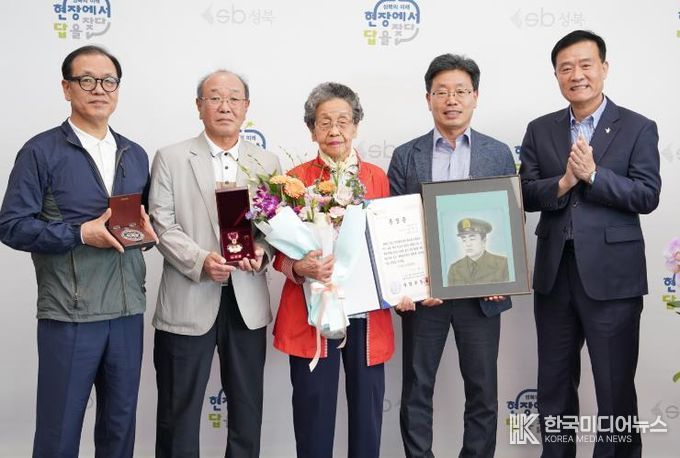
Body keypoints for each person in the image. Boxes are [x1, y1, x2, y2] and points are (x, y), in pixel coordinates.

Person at [0, 45, 155, 457]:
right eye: (86, 80)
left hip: (127, 311)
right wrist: (79, 233)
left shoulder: (135, 153)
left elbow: (137, 224)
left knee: (120, 428)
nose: (99, 89)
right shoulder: (41, 151)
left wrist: (146, 234)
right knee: (60, 430)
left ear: (118, 89)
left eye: (108, 81)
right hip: (70, 314)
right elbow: (11, 226)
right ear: (66, 88)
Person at [519, 30, 661, 457]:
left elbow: (647, 195)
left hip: (613, 279)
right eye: (566, 68)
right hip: (554, 276)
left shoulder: (638, 127)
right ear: (556, 76)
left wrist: (595, 176)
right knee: (554, 386)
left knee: (614, 388)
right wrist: (563, 182)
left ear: (604, 67)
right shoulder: (540, 129)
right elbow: (524, 194)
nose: (576, 75)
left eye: (585, 65)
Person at [388, 54, 515, 458]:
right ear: (428, 98)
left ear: (475, 97)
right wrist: (409, 283)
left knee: (483, 391)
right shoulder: (406, 156)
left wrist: (503, 278)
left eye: (461, 91)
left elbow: (509, 219)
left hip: (482, 295)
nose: (451, 99)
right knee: (417, 388)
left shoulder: (498, 153)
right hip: (426, 296)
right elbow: (395, 225)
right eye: (441, 91)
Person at [148, 69, 280, 457]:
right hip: (188, 297)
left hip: (246, 301)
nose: (225, 106)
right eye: (215, 98)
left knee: (247, 410)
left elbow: (275, 226)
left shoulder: (267, 162)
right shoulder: (171, 158)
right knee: (178, 411)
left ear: (246, 107)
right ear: (199, 106)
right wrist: (200, 260)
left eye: (234, 98)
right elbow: (161, 223)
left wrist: (262, 252)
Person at [272, 82, 394, 458]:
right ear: (311, 130)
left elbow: (390, 244)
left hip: (367, 314)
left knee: (367, 416)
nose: (334, 130)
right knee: (313, 415)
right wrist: (298, 266)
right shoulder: (293, 181)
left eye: (343, 120)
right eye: (324, 122)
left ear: (356, 126)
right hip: (313, 313)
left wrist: (403, 283)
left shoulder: (377, 177)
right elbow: (275, 251)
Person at [448, 217, 509, 286]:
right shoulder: (455, 269)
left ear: (483, 241)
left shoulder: (503, 264)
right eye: (464, 240)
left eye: (472, 239)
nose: (468, 244)